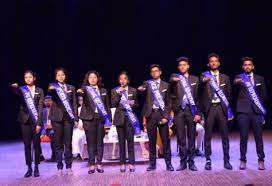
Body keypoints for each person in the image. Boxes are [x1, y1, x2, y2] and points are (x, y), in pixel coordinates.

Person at [199, 53, 233, 170]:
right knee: (208, 136)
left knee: (225, 135)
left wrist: (224, 104)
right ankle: (208, 160)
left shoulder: (225, 77)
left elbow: (229, 94)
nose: (213, 63)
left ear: (218, 63)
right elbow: (200, 88)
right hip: (209, 109)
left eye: (215, 61)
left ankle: (226, 160)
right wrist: (204, 80)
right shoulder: (204, 75)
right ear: (208, 64)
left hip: (221, 108)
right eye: (211, 61)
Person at [138, 64, 174, 171]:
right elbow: (141, 92)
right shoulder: (147, 84)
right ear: (151, 74)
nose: (154, 73)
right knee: (152, 141)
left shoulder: (166, 85)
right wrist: (140, 90)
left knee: (165, 141)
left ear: (160, 72)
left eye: (156, 71)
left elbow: (168, 103)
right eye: (152, 71)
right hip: (150, 115)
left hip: (162, 114)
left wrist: (166, 117)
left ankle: (168, 164)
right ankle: (152, 164)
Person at [233, 57, 267, 170]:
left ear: (253, 66)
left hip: (256, 112)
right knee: (243, 138)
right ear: (243, 67)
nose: (247, 66)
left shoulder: (260, 79)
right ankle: (243, 160)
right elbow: (234, 90)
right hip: (243, 112)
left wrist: (260, 109)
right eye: (245, 65)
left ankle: (261, 160)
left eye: (249, 65)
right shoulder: (238, 78)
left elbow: (264, 95)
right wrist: (237, 83)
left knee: (259, 138)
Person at [169, 57, 201, 171]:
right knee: (181, 138)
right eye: (180, 65)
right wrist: (174, 80)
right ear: (178, 67)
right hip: (179, 111)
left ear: (188, 66)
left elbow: (198, 98)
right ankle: (183, 163)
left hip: (191, 111)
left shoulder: (195, 79)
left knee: (191, 137)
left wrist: (198, 113)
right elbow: (170, 86)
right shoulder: (175, 78)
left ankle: (191, 162)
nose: (182, 66)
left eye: (184, 65)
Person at [77, 71, 111, 174]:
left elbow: (107, 106)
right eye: (90, 77)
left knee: (100, 143)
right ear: (87, 79)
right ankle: (91, 165)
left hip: (100, 119)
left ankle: (99, 164)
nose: (92, 79)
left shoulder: (104, 90)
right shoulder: (85, 89)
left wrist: (109, 121)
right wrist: (80, 90)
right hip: (88, 119)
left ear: (98, 78)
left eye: (94, 77)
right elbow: (80, 91)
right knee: (91, 143)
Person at [11, 70, 44, 177]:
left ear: (34, 78)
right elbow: (17, 94)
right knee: (27, 145)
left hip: (35, 121)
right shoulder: (22, 90)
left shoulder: (39, 90)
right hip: (24, 121)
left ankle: (36, 168)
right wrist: (15, 88)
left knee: (36, 145)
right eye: (26, 77)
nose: (28, 79)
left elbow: (40, 108)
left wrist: (39, 123)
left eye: (30, 77)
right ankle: (29, 168)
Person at [48, 67, 78, 176]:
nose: (61, 77)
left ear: (65, 76)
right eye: (58, 75)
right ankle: (59, 166)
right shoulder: (53, 86)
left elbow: (74, 103)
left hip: (68, 118)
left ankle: (69, 166)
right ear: (56, 77)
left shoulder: (71, 88)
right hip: (57, 118)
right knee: (58, 143)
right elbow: (50, 92)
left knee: (68, 143)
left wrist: (76, 118)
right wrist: (52, 89)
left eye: (62, 75)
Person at [111, 71, 139, 172]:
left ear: (128, 80)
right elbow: (113, 104)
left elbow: (136, 104)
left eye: (124, 79)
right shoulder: (114, 91)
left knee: (130, 142)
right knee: (121, 143)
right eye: (121, 79)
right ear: (119, 81)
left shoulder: (133, 90)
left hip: (130, 119)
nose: (122, 81)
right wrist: (118, 95)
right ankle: (122, 163)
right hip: (119, 119)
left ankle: (131, 163)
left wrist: (127, 102)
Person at [42, 95, 56, 162]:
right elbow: (40, 122)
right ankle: (40, 156)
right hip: (45, 130)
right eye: (46, 101)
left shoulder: (56, 110)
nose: (47, 102)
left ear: (52, 101)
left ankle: (55, 156)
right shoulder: (42, 111)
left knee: (53, 134)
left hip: (55, 128)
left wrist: (52, 126)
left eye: (49, 101)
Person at [72, 96, 86, 161]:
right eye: (80, 100)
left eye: (82, 100)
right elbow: (76, 120)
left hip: (88, 127)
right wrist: (77, 125)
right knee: (75, 135)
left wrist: (85, 126)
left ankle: (84, 154)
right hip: (79, 127)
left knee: (83, 136)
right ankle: (77, 154)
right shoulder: (77, 109)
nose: (81, 102)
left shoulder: (90, 109)